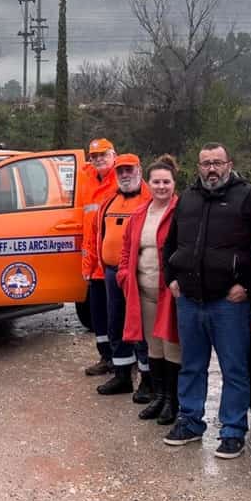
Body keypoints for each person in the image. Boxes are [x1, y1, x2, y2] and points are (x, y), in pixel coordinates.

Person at [162, 143, 251, 459]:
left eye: (217, 163)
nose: (212, 169)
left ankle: (233, 431)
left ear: (229, 164)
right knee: (192, 366)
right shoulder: (187, 199)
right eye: (206, 163)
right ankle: (190, 421)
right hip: (189, 300)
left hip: (228, 302)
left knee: (234, 369)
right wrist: (171, 278)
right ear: (198, 167)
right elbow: (171, 243)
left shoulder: (249, 198)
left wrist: (249, 286)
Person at [116, 156, 181, 423]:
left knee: (172, 348)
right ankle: (159, 397)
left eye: (166, 181)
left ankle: (173, 403)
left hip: (170, 293)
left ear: (174, 183)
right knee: (153, 346)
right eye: (156, 181)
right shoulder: (140, 213)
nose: (161, 186)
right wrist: (123, 275)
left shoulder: (181, 212)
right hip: (143, 291)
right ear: (149, 183)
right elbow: (126, 249)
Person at [93, 153, 152, 396]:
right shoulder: (108, 202)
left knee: (140, 327)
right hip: (112, 272)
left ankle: (148, 380)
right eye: (120, 171)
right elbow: (98, 233)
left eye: (129, 170)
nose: (125, 175)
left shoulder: (151, 199)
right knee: (115, 323)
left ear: (139, 170)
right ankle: (122, 376)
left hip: (139, 274)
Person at [80, 138, 119, 376]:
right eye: (94, 156)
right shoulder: (86, 179)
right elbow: (88, 229)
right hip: (95, 263)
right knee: (99, 315)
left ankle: (124, 359)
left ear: (114, 154)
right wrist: (87, 265)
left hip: (114, 262)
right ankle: (106, 356)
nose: (98, 160)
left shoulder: (124, 177)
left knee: (118, 315)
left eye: (103, 155)